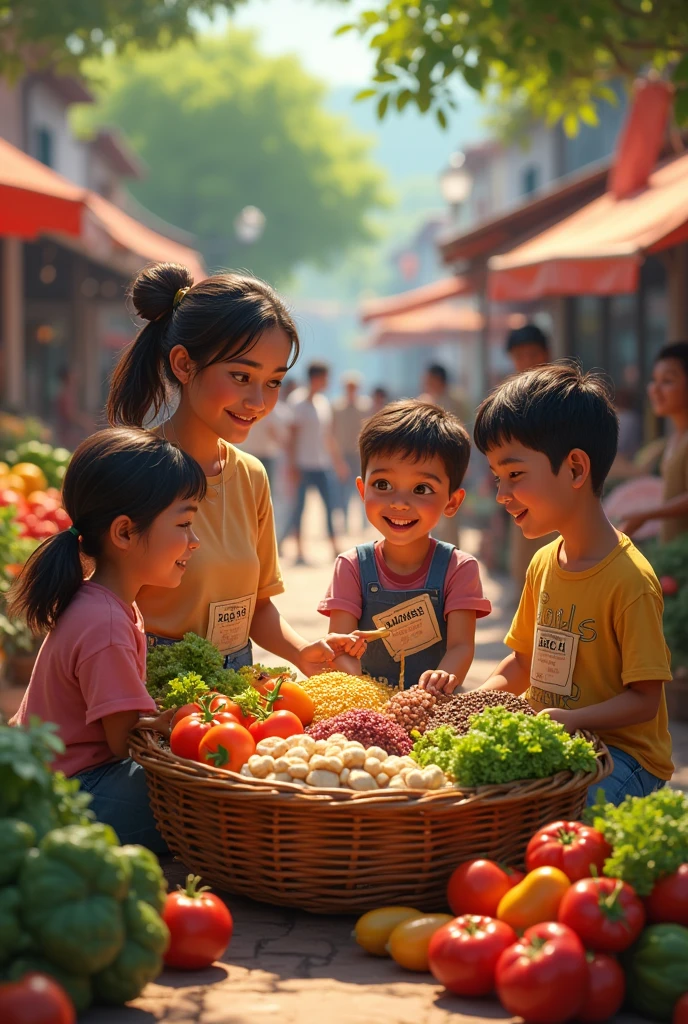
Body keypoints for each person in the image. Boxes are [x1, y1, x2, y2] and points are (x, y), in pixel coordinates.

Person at [107, 263, 365, 677]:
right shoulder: (134, 472)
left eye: (274, 382)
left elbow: (257, 605)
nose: (259, 402)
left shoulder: (251, 476)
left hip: (235, 688)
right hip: (150, 692)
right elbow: (101, 606)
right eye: (242, 376)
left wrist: (302, 651)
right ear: (183, 364)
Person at [475, 363, 673, 806]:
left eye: (515, 474)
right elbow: (522, 661)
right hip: (559, 742)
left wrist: (570, 719)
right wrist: (476, 703)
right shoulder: (544, 563)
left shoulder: (630, 579)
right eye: (496, 478)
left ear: (576, 468)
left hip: (623, 758)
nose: (502, 494)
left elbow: (644, 700)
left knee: (556, 822)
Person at [9, 428, 206, 851]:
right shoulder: (107, 624)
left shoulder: (102, 602)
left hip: (58, 780)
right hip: (75, 793)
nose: (195, 541)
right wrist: (183, 722)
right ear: (124, 533)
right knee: (199, 801)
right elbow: (124, 742)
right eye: (185, 524)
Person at [319, 400, 491, 693]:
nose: (399, 502)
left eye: (421, 489)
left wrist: (437, 684)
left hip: (433, 704)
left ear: (452, 502)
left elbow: (461, 647)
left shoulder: (459, 568)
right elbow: (341, 647)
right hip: (366, 702)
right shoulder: (351, 567)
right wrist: (365, 695)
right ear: (362, 490)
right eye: (383, 485)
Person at [281, 361, 348, 563]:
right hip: (302, 464)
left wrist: (338, 462)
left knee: (329, 506)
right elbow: (291, 437)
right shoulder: (297, 402)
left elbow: (327, 436)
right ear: (315, 378)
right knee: (299, 508)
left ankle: (334, 546)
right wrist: (291, 465)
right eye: (325, 378)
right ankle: (299, 550)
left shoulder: (323, 403)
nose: (327, 382)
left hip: (322, 464)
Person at [621, 342, 688, 543]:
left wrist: (646, 514)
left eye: (667, 381)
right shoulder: (674, 439)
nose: (655, 389)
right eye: (653, 380)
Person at [504, 324, 554, 588]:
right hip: (522, 493)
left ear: (546, 353)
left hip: (557, 491)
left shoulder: (562, 394)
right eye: (519, 356)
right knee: (525, 567)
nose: (526, 362)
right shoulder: (511, 397)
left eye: (532, 354)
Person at [418, 364, 470, 547]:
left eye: (429, 379)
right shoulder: (424, 401)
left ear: (438, 380)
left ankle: (451, 551)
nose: (425, 383)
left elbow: (464, 432)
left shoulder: (455, 401)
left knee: (450, 511)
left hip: (451, 462)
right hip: (428, 465)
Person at [332, 370, 372, 533]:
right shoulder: (336, 407)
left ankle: (365, 522)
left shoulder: (365, 406)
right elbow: (332, 433)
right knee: (343, 492)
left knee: (364, 488)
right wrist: (336, 458)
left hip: (360, 454)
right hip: (343, 454)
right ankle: (345, 523)